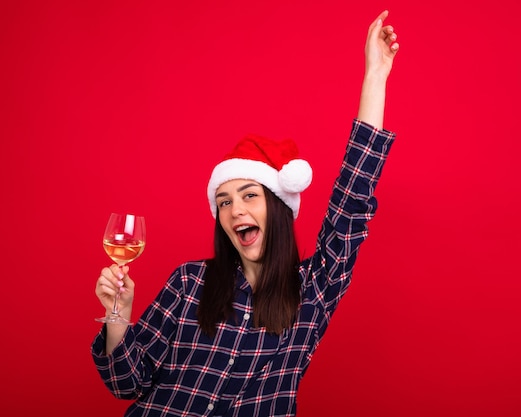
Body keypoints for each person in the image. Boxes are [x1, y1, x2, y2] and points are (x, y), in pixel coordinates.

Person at [92, 10, 400, 417]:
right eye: (224, 201)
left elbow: (352, 198)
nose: (235, 209)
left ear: (277, 207)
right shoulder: (190, 283)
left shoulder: (312, 292)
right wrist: (119, 315)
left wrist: (375, 77)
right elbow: (126, 383)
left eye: (249, 195)